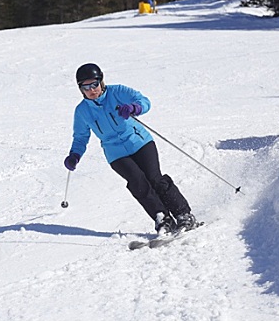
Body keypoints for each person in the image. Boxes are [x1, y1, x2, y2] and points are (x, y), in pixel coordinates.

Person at [64, 63, 196, 236]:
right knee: (137, 182)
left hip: (139, 141)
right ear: (80, 89)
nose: (91, 90)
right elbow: (81, 137)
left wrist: (134, 108)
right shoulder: (82, 111)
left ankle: (183, 214)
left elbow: (144, 101)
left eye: (94, 84)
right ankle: (162, 218)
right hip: (115, 153)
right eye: (85, 87)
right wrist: (74, 155)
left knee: (154, 178)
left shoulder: (117, 92)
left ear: (101, 81)